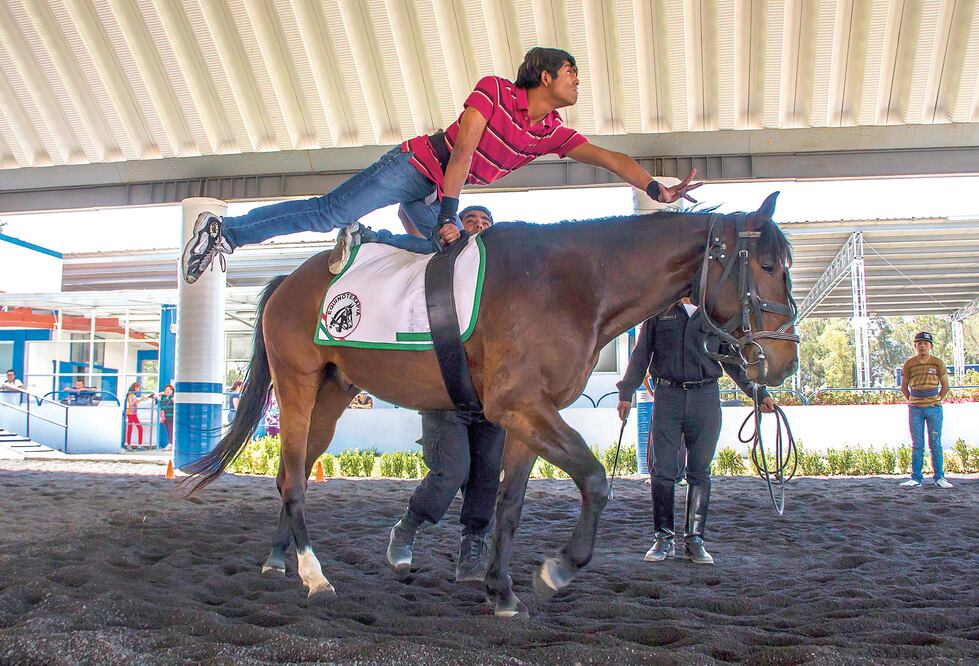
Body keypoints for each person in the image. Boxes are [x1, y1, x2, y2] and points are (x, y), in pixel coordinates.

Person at [181, 47, 702, 284]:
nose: (577, 82)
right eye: (571, 72)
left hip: (439, 193)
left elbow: (608, 157)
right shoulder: (495, 91)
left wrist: (655, 189)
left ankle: (368, 244)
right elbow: (464, 152)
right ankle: (224, 231)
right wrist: (450, 211)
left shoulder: (550, 133)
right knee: (328, 212)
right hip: (418, 168)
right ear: (542, 74)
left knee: (451, 257)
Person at [385, 205, 505, 582]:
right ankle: (408, 525)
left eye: (486, 223)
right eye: (472, 221)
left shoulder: (501, 281)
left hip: (489, 396)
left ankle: (473, 543)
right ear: (456, 227)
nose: (479, 227)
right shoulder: (438, 259)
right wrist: (441, 231)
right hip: (444, 388)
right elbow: (408, 207)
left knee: (487, 474)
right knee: (451, 471)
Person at [617, 298, 776, 566]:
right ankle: (663, 538)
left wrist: (758, 392)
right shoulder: (659, 310)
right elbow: (641, 354)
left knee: (700, 471)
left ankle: (695, 541)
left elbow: (732, 362)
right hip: (668, 396)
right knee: (662, 470)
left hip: (706, 397)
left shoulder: (715, 315)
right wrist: (626, 392)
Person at [899, 331, 951, 488]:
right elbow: (903, 387)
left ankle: (939, 477)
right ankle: (916, 478)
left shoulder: (938, 363)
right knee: (917, 444)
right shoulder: (909, 363)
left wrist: (935, 400)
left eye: (925, 343)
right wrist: (913, 400)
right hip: (915, 409)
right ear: (915, 346)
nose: (922, 346)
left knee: (935, 442)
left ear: (930, 346)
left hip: (934, 409)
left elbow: (945, 386)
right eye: (919, 343)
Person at [124, 381, 148, 449]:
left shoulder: (133, 395)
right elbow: (131, 404)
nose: (138, 389)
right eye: (137, 388)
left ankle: (133, 444)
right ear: (135, 388)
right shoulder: (131, 395)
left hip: (133, 413)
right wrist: (136, 400)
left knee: (132, 428)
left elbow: (135, 403)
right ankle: (134, 445)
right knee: (136, 428)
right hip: (131, 413)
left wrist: (141, 399)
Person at [156, 384, 175, 449]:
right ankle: (170, 443)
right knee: (168, 430)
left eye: (169, 389)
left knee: (171, 430)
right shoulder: (163, 397)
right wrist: (162, 393)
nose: (168, 391)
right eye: (166, 389)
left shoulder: (172, 397)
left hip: (171, 416)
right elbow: (155, 396)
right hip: (165, 417)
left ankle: (171, 444)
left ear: (172, 391)